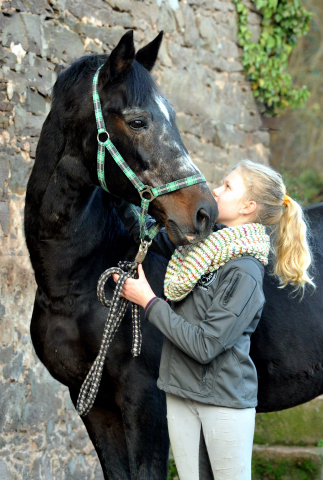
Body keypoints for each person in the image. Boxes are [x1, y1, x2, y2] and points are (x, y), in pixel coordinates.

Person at [112, 159, 314, 480]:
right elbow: (147, 233)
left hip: (223, 403)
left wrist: (148, 301)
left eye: (227, 187)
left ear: (248, 206)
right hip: (180, 392)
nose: (215, 191)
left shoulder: (244, 270)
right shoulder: (199, 244)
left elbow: (206, 345)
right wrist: (119, 187)